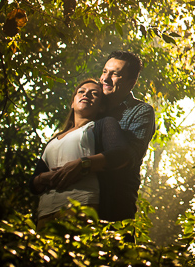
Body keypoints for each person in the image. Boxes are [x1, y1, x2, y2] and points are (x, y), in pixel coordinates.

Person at [31, 79, 131, 225]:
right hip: (45, 213)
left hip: (81, 205)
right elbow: (33, 184)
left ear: (101, 107)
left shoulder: (101, 125)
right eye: (81, 92)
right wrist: (43, 178)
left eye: (94, 94)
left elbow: (120, 153)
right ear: (72, 103)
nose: (86, 95)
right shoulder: (53, 141)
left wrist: (82, 164)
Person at [97, 50, 156, 221]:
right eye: (104, 71)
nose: (105, 79)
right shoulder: (91, 104)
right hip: (79, 201)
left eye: (115, 74)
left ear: (131, 82)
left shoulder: (141, 111)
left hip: (115, 205)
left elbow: (129, 157)